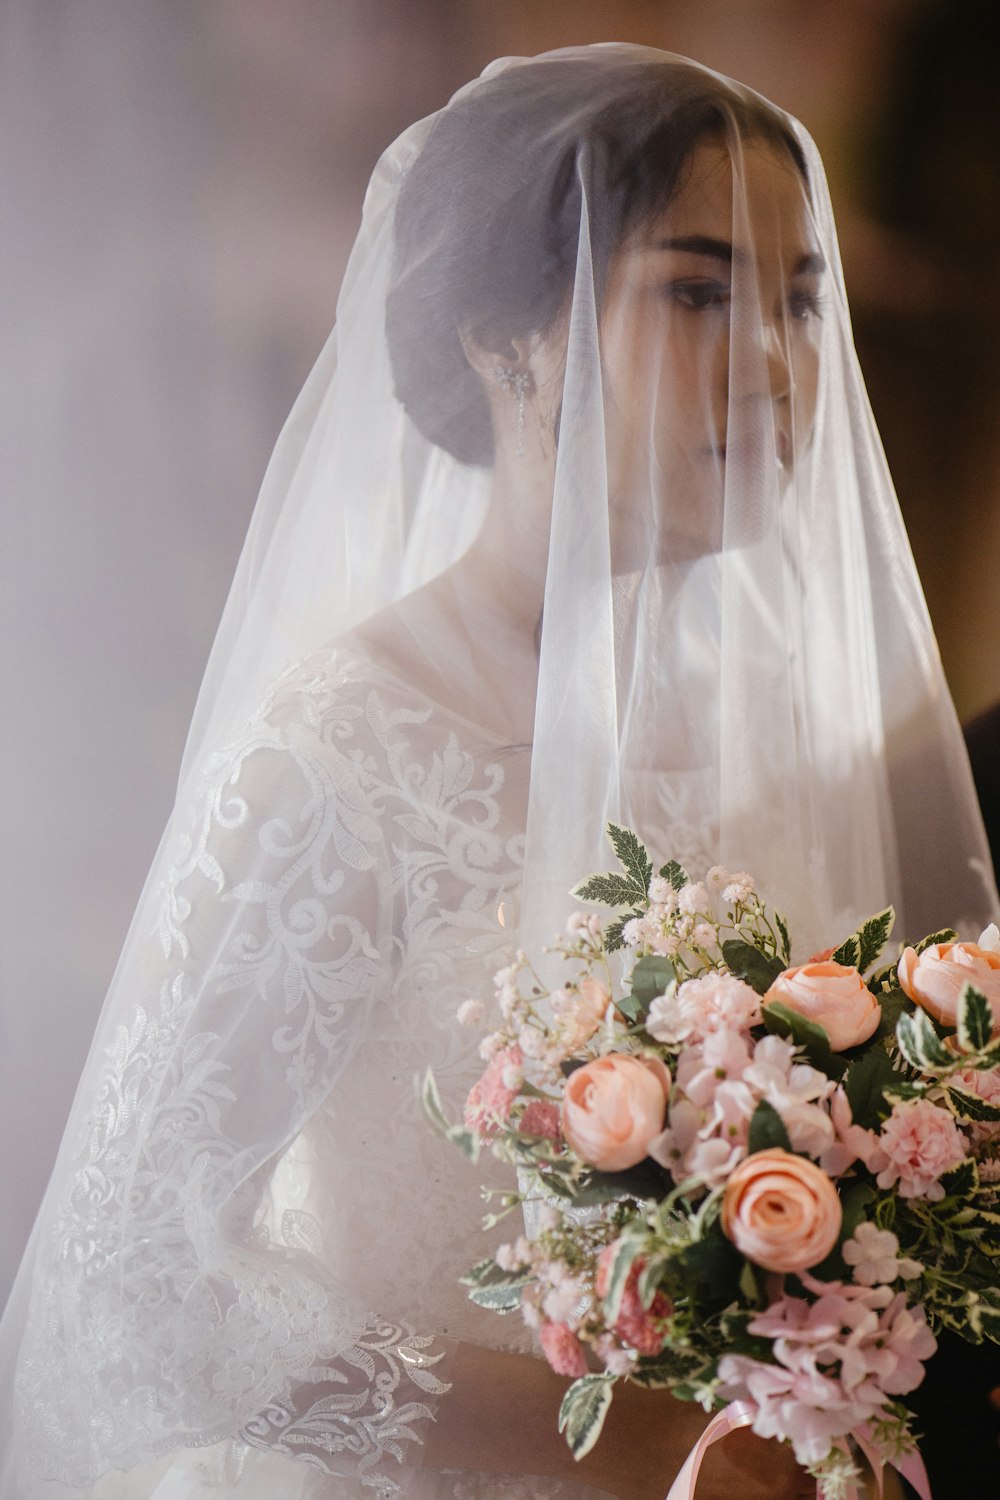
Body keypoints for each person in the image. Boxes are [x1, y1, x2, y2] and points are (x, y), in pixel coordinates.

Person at [0, 44, 993, 1500]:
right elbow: (131, 1297)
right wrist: (622, 1444)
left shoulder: (769, 740)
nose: (779, 366)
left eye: (798, 302)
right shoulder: (337, 755)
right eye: (699, 291)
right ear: (504, 337)